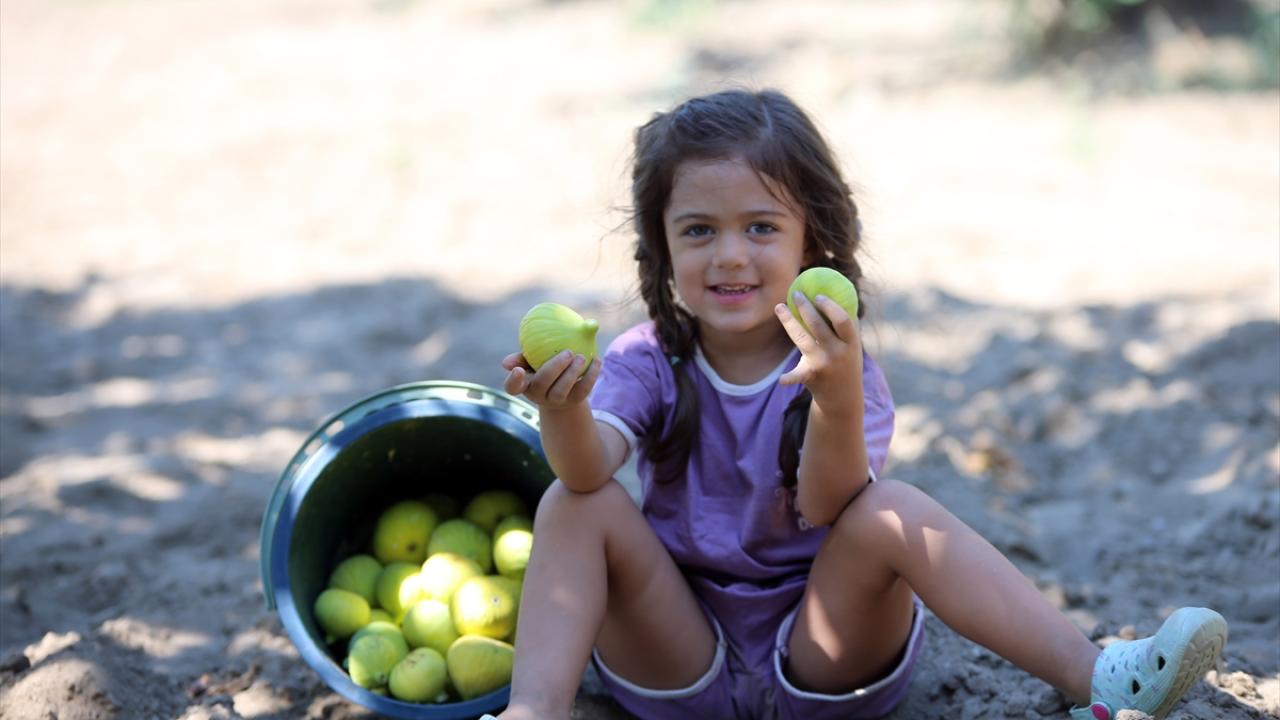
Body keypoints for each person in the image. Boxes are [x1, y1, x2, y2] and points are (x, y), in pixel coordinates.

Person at [488, 88, 1227, 720]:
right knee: (572, 503)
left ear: (813, 242)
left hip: (822, 656)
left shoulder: (845, 361)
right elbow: (588, 471)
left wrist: (834, 393)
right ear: (661, 247)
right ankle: (534, 710)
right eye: (699, 230)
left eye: (761, 227)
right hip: (678, 655)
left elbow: (828, 504)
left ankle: (1094, 676)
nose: (731, 254)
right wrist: (563, 409)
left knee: (891, 508)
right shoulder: (647, 358)